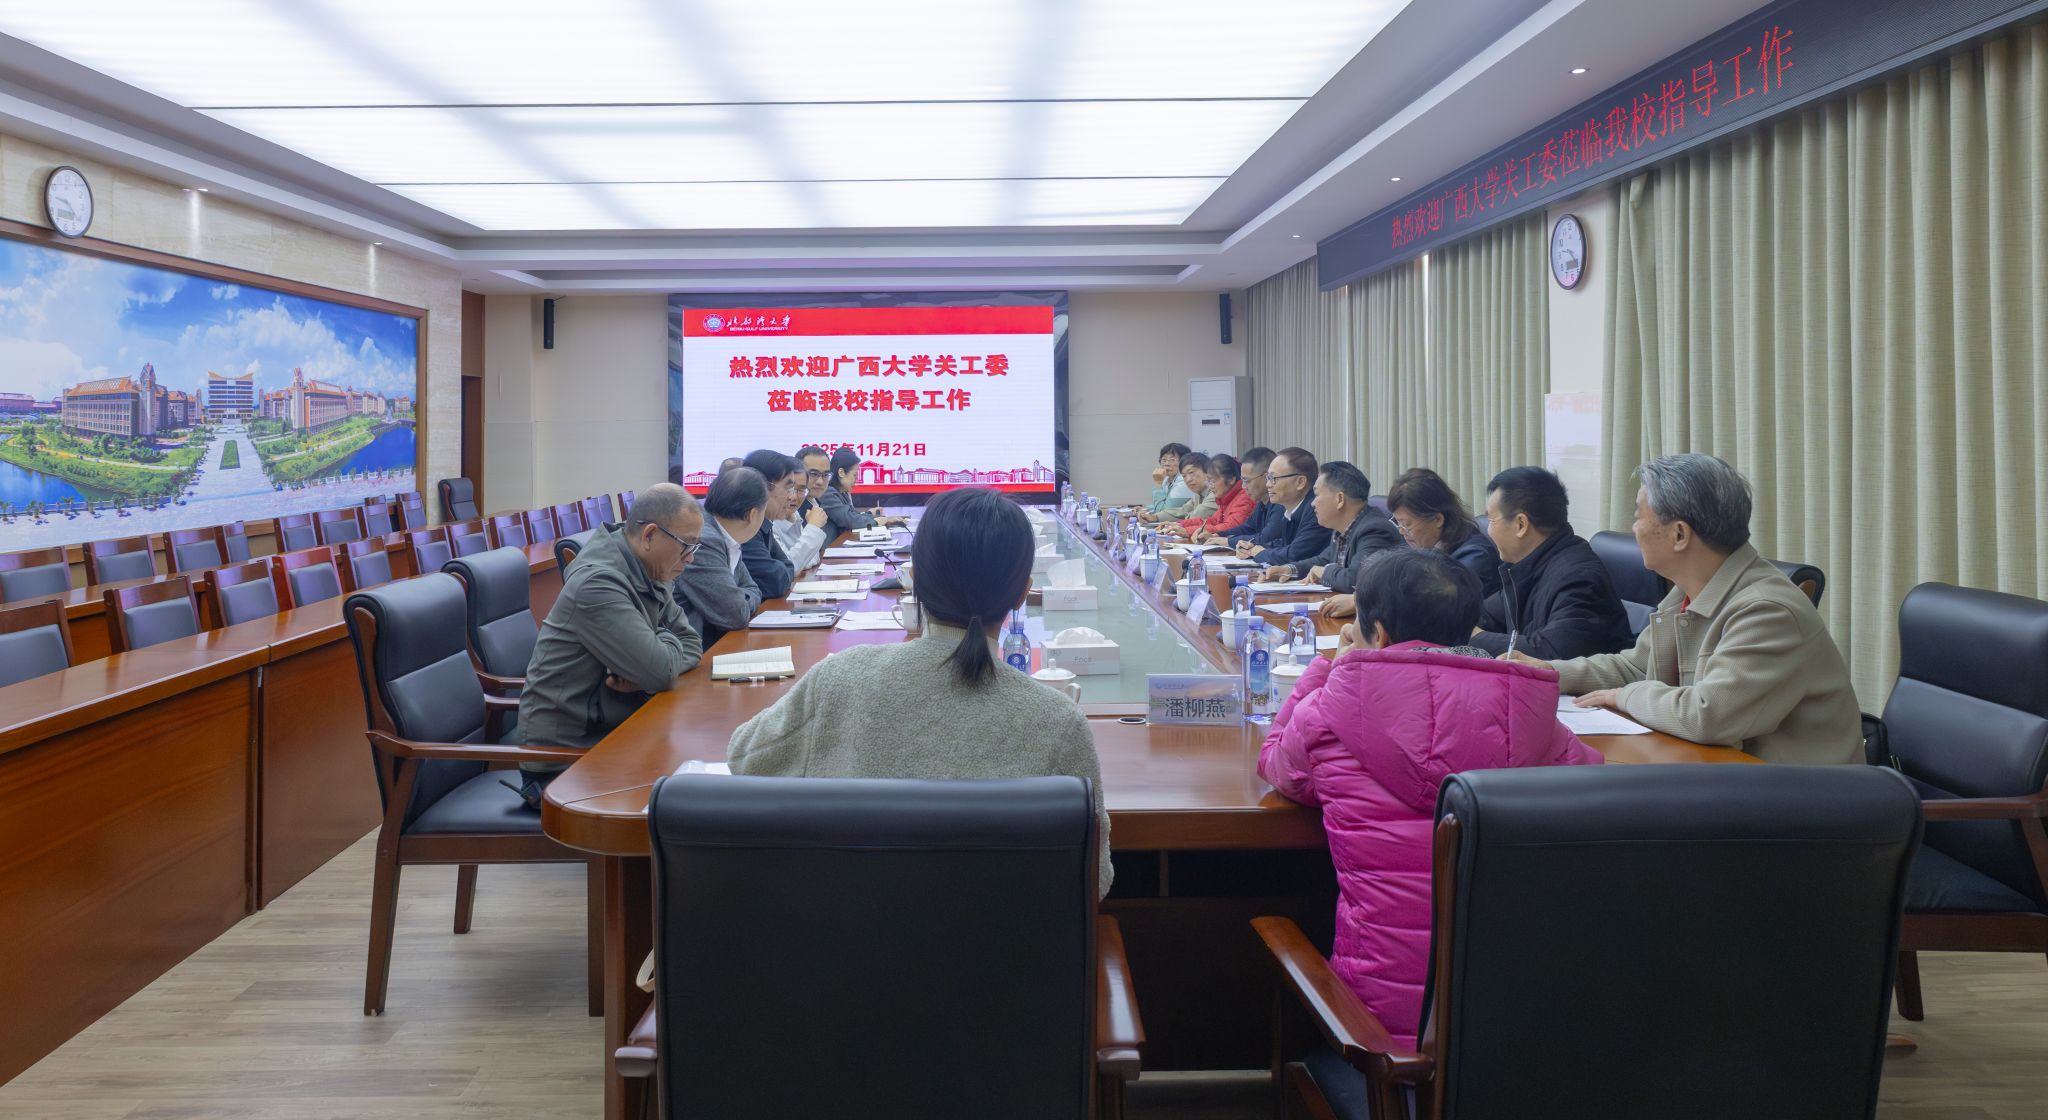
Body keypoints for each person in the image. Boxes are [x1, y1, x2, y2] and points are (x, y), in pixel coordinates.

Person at [1258, 548, 1601, 1049]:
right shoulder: (1530, 716)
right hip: (1517, 1033)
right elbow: (1591, 787)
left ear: (1378, 633)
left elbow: (1278, 767)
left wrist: (1328, 668)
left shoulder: (1331, 709)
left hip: (1375, 1041)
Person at [728, 487, 1113, 895]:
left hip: (844, 926)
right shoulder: (1056, 718)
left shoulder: (840, 678)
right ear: (1022, 594)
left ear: (913, 580)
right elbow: (1096, 879)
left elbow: (744, 757)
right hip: (993, 935)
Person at [1508, 454, 1862, 765]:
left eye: (1639, 515)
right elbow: (1636, 667)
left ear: (1679, 534)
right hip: (1727, 777)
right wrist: (1549, 672)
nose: (1633, 528)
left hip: (1804, 800)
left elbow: (1709, 715)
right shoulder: (1689, 590)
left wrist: (1625, 696)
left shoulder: (1767, 611)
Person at [515, 483, 705, 806]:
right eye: (686, 545)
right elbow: (660, 671)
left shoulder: (649, 568)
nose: (691, 558)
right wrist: (655, 659)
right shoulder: (598, 583)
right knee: (692, 802)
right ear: (649, 535)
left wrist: (655, 650)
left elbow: (691, 642)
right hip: (568, 762)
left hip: (618, 731)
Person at [1470, 466, 1632, 659]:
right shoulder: (1529, 566)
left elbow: (1551, 653)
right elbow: (1482, 614)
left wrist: (1474, 637)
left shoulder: (1578, 578)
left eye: (1491, 520)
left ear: (1521, 524)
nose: (1488, 531)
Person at [1264, 461, 1401, 613]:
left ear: (1340, 499)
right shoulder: (1343, 527)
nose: (1312, 503)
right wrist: (1289, 569)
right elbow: (1322, 561)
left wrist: (1324, 572)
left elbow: (1356, 581)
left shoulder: (1374, 530)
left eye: (1317, 495)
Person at [671, 466, 767, 646]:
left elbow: (753, 588)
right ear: (752, 514)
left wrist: (740, 598)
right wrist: (741, 599)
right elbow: (735, 614)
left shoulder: (726, 535)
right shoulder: (704, 540)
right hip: (693, 650)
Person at [1386, 467, 1500, 599]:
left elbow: (1435, 603)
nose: (1401, 531)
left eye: (1406, 524)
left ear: (1437, 519)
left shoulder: (1474, 557)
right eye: (1398, 522)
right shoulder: (1420, 545)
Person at [737, 449, 812, 598]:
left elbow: (788, 566)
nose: (792, 497)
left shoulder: (765, 523)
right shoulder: (743, 525)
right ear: (763, 487)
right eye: (788, 488)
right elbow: (775, 581)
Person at [1240, 447, 1332, 569]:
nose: (1268, 484)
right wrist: (1253, 547)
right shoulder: (1291, 508)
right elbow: (1285, 543)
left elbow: (1294, 555)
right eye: (1268, 478)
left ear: (1300, 482)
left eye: (1273, 478)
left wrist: (1258, 553)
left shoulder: (1316, 509)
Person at [816, 446, 907, 534]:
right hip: (834, 544)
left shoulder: (842, 493)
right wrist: (879, 521)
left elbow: (853, 515)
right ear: (841, 472)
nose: (856, 480)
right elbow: (850, 520)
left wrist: (872, 514)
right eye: (854, 475)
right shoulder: (827, 493)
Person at [1199, 446, 1274, 545]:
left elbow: (1266, 538)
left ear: (1266, 477)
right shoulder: (1261, 502)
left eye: (1247, 480)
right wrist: (1217, 535)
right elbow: (1247, 528)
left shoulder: (1280, 504)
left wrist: (1228, 541)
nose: (1243, 486)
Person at [771, 450, 831, 573]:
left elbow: (813, 557)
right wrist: (813, 527)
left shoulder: (795, 514)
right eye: (789, 488)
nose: (793, 497)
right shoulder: (768, 522)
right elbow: (790, 566)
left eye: (801, 490)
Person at [1177, 453, 1254, 538]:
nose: (1210, 486)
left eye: (1213, 481)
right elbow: (1213, 521)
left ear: (1231, 479)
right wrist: (1181, 524)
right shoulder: (1226, 497)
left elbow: (1230, 527)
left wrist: (1188, 530)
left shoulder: (1244, 498)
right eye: (1208, 481)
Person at [1146, 451, 1214, 524]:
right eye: (1184, 476)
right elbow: (1183, 511)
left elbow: (1197, 516)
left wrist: (1177, 524)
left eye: (1191, 472)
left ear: (1207, 471)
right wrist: (1155, 517)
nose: (1188, 479)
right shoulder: (1199, 494)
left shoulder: (1215, 493)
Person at [1146, 442, 1194, 514]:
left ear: (1184, 462)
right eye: (1164, 459)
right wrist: (1145, 509)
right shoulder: (1167, 479)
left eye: (1172, 460)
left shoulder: (1184, 482)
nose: (1166, 464)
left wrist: (1158, 483)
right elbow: (1164, 503)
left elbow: (1163, 512)